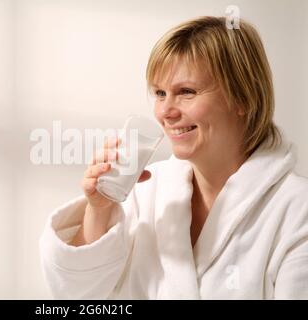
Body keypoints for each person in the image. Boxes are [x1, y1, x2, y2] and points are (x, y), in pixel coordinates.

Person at [39, 16, 308, 299]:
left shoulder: (296, 210)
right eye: (159, 93)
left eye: (186, 92)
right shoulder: (145, 192)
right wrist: (100, 210)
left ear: (242, 97)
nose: (166, 111)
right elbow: (78, 296)